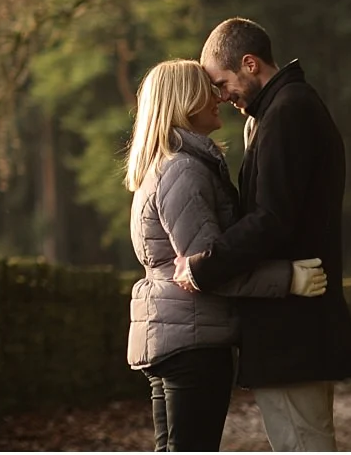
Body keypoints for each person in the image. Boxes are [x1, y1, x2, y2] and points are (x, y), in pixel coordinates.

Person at [175, 18, 351, 450]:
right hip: (290, 323)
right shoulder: (280, 111)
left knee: (303, 443)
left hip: (293, 327)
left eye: (224, 83)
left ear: (249, 63)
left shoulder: (288, 112)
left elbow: (272, 219)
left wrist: (205, 267)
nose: (222, 97)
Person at [126, 59, 327, 452]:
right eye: (207, 90)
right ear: (184, 101)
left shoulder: (171, 166)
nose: (218, 97)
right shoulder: (183, 171)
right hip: (192, 340)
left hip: (174, 333)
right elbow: (208, 268)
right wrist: (288, 279)